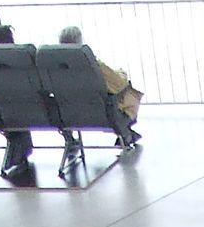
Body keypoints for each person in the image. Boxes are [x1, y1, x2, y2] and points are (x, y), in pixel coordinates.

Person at [56, 24, 142, 166]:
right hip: (101, 113)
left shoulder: (53, 69)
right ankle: (125, 132)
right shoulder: (93, 65)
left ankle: (70, 139)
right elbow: (119, 82)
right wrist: (122, 72)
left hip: (67, 115)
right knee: (130, 95)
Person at [0, 23, 36, 187]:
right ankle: (70, 140)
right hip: (29, 111)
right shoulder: (21, 63)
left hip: (0, 113)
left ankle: (17, 148)